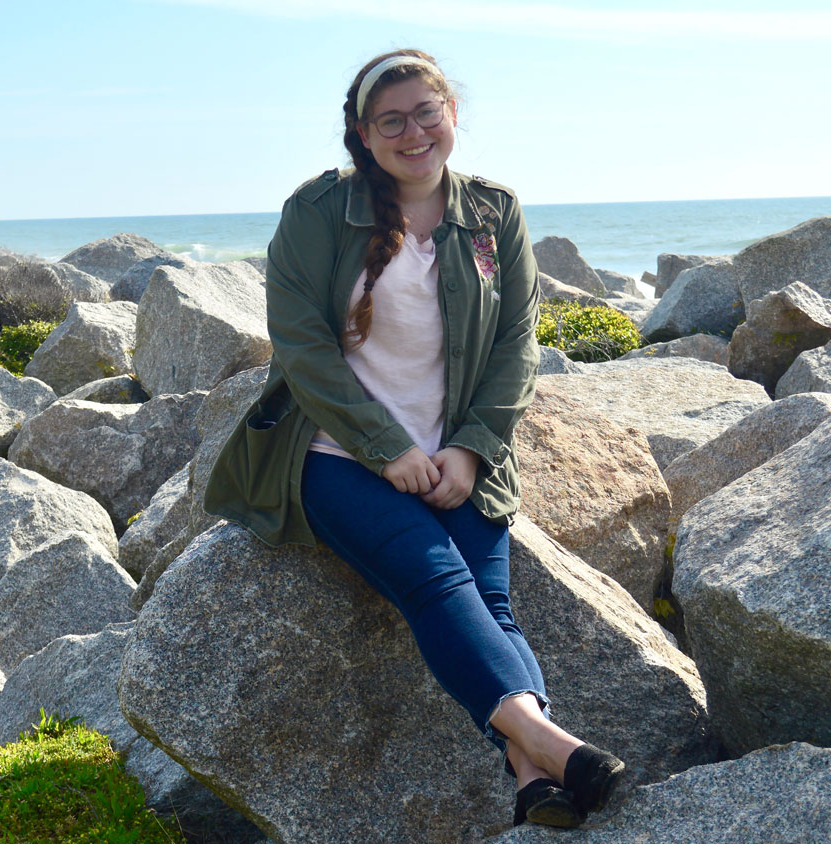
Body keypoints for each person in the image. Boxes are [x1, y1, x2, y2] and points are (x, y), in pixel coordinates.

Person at [203, 49, 625, 829]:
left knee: (492, 603)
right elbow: (301, 349)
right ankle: (562, 749)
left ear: (452, 116)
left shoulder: (494, 211)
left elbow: (516, 348)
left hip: (463, 455)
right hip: (334, 453)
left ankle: (532, 774)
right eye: (390, 120)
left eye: (426, 113)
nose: (413, 132)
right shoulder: (317, 214)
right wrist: (383, 448)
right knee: (435, 581)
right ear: (364, 135)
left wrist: (469, 447)